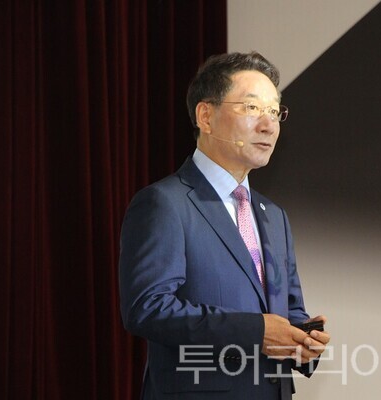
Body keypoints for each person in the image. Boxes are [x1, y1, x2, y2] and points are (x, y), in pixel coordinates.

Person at [119, 51, 330, 400]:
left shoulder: (274, 215)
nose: (268, 124)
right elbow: (148, 307)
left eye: (274, 111)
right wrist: (256, 331)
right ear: (206, 116)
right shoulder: (165, 203)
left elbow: (289, 311)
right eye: (252, 108)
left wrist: (302, 341)